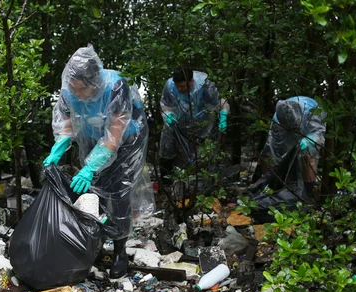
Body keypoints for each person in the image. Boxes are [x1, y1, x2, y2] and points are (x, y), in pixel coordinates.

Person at [43, 45, 151, 279]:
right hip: (94, 140)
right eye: (74, 89)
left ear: (94, 81)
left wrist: (90, 167)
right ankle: (97, 242)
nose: (77, 94)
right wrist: (57, 149)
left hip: (126, 141)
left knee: (119, 192)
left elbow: (114, 136)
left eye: (82, 89)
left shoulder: (115, 87)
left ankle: (120, 251)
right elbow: (66, 122)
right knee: (94, 193)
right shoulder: (69, 90)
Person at [159, 67, 228, 183]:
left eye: (183, 86)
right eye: (178, 86)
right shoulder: (170, 86)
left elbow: (220, 104)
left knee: (201, 155)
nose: (180, 89)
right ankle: (168, 183)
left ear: (191, 81)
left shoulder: (205, 86)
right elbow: (166, 106)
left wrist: (223, 116)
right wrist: (168, 116)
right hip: (178, 124)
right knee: (169, 149)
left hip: (202, 126)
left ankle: (203, 183)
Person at [260, 96, 326, 197]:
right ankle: (268, 185)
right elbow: (269, 151)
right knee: (269, 153)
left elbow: (320, 133)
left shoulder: (313, 113)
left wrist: (310, 139)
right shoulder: (278, 122)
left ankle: (308, 192)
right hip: (284, 127)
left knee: (308, 155)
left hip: (309, 127)